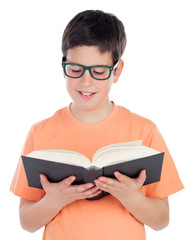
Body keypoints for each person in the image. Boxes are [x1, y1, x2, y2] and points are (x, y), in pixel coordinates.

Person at [10, 10, 184, 240]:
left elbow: (161, 221)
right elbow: (27, 223)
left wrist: (131, 197)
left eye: (99, 71)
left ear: (117, 71)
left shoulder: (145, 131)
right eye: (75, 70)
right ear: (63, 66)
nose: (85, 82)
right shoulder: (40, 133)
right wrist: (55, 200)